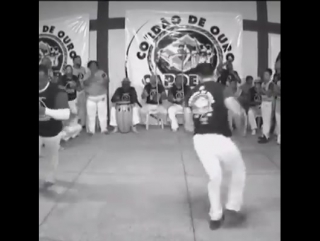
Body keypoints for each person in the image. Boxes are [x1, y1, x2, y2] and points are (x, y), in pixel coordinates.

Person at [184, 63, 246, 230]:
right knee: (238, 169)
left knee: (215, 176)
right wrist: (241, 129)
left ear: (198, 76)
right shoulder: (222, 89)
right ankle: (232, 207)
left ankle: (215, 216)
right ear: (214, 73)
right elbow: (237, 110)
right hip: (220, 137)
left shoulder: (191, 92)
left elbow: (187, 125)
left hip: (200, 139)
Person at [39, 64, 70, 188]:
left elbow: (66, 114)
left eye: (40, 80)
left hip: (52, 130)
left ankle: (50, 178)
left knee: (52, 157)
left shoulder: (57, 91)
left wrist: (44, 111)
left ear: (48, 78)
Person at [83, 60, 109, 135]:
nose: (93, 67)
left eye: (95, 65)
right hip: (90, 97)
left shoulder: (102, 73)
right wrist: (91, 76)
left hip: (101, 96)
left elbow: (106, 81)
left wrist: (101, 79)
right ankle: (91, 130)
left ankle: (104, 129)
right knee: (90, 115)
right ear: (89, 67)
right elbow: (85, 83)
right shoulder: (87, 74)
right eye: (91, 65)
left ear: (97, 66)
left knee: (103, 114)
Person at [57, 65, 82, 140]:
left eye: (70, 69)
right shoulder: (62, 78)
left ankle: (74, 133)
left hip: (73, 99)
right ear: (65, 70)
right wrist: (66, 89)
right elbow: (58, 87)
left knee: (75, 115)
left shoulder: (75, 78)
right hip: (65, 100)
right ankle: (64, 133)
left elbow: (79, 88)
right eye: (67, 69)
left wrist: (74, 86)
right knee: (65, 117)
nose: (69, 70)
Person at [258, 68, 275, 143]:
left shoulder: (271, 84)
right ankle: (263, 134)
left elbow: (268, 94)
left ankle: (266, 136)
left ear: (270, 76)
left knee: (267, 120)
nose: (265, 76)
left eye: (267, 75)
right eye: (264, 74)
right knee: (264, 120)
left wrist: (262, 90)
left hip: (269, 103)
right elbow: (260, 93)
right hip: (263, 102)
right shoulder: (263, 84)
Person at [72, 55, 87, 128]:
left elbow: (85, 79)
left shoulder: (83, 69)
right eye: (78, 60)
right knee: (75, 108)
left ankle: (82, 124)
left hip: (82, 91)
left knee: (82, 108)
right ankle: (74, 123)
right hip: (74, 91)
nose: (79, 61)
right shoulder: (71, 69)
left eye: (80, 60)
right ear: (74, 61)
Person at [274, 77, 281, 145]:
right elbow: (276, 93)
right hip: (278, 107)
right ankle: (279, 138)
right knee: (279, 123)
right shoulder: (278, 83)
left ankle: (279, 137)